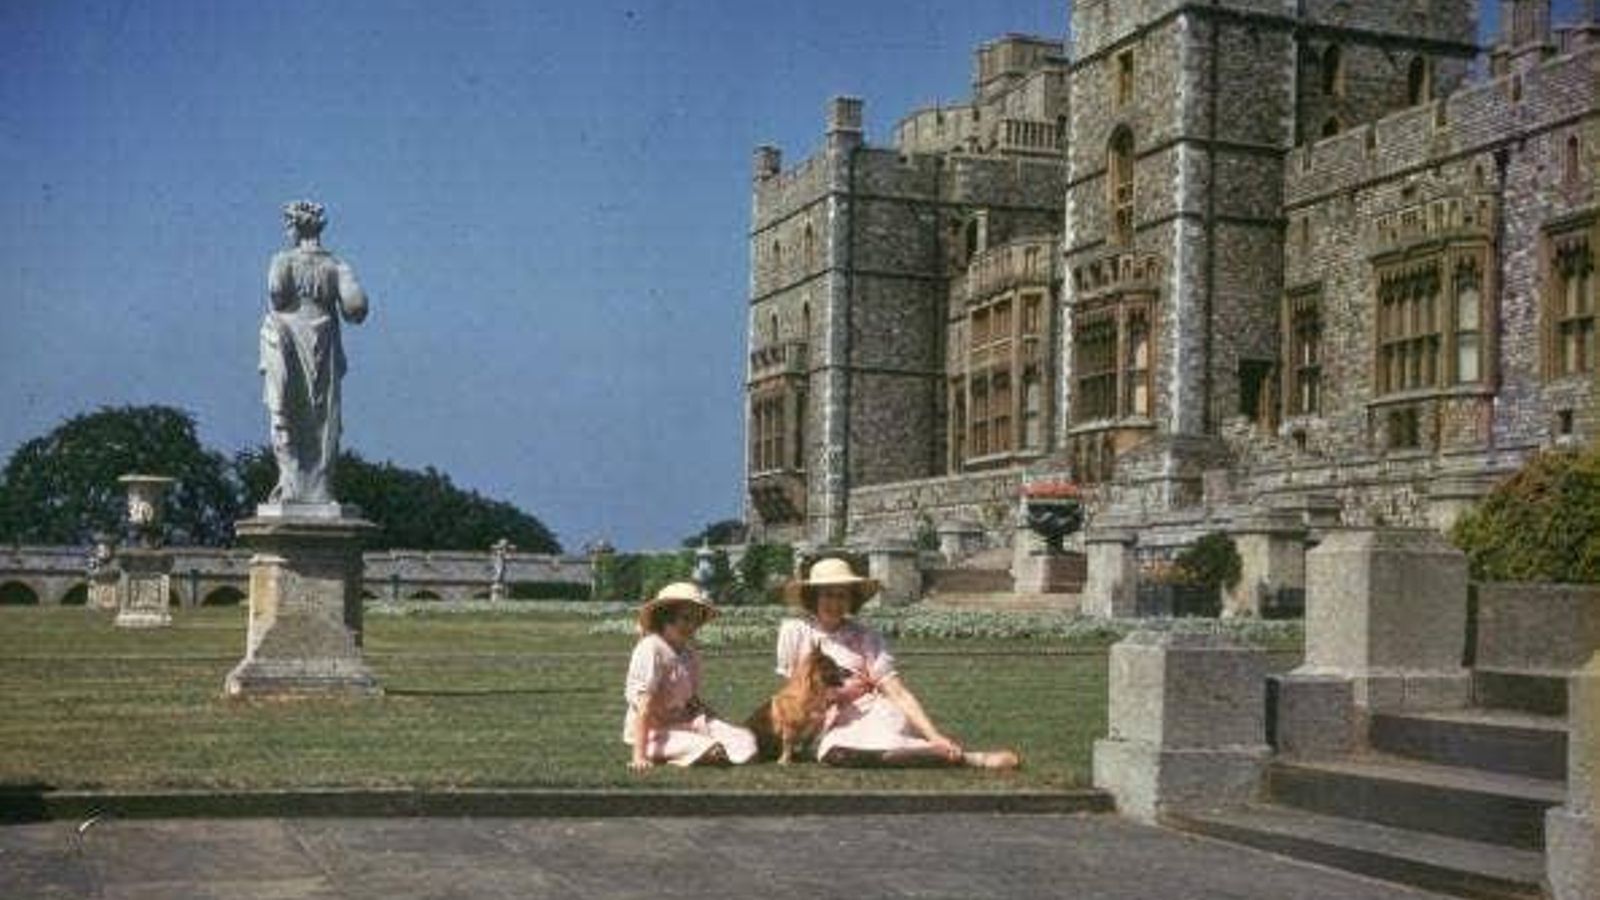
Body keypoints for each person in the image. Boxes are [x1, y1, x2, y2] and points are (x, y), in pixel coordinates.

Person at [776, 557, 1020, 769]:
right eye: (827, 594)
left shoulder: (866, 637)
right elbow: (792, 696)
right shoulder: (795, 632)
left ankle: (949, 754)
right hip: (823, 721)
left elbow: (897, 692)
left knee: (880, 737)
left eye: (842, 595)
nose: (835, 603)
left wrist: (934, 734)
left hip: (868, 712)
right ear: (813, 597)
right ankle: (946, 758)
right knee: (836, 751)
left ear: (851, 600)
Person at [260, 200, 368, 505]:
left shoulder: (282, 261)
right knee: (320, 416)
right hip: (317, 342)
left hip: (289, 340)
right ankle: (310, 486)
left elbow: (277, 295)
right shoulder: (337, 265)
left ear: (294, 226)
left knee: (289, 412)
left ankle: (298, 485)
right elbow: (356, 309)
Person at [623, 582, 758, 770]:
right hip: (654, 730)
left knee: (746, 739)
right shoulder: (651, 648)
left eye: (696, 619)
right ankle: (674, 750)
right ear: (666, 617)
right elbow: (644, 704)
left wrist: (714, 721)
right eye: (685, 618)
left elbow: (691, 700)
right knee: (711, 749)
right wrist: (639, 756)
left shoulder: (689, 653)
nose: (692, 625)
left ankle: (701, 747)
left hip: (683, 722)